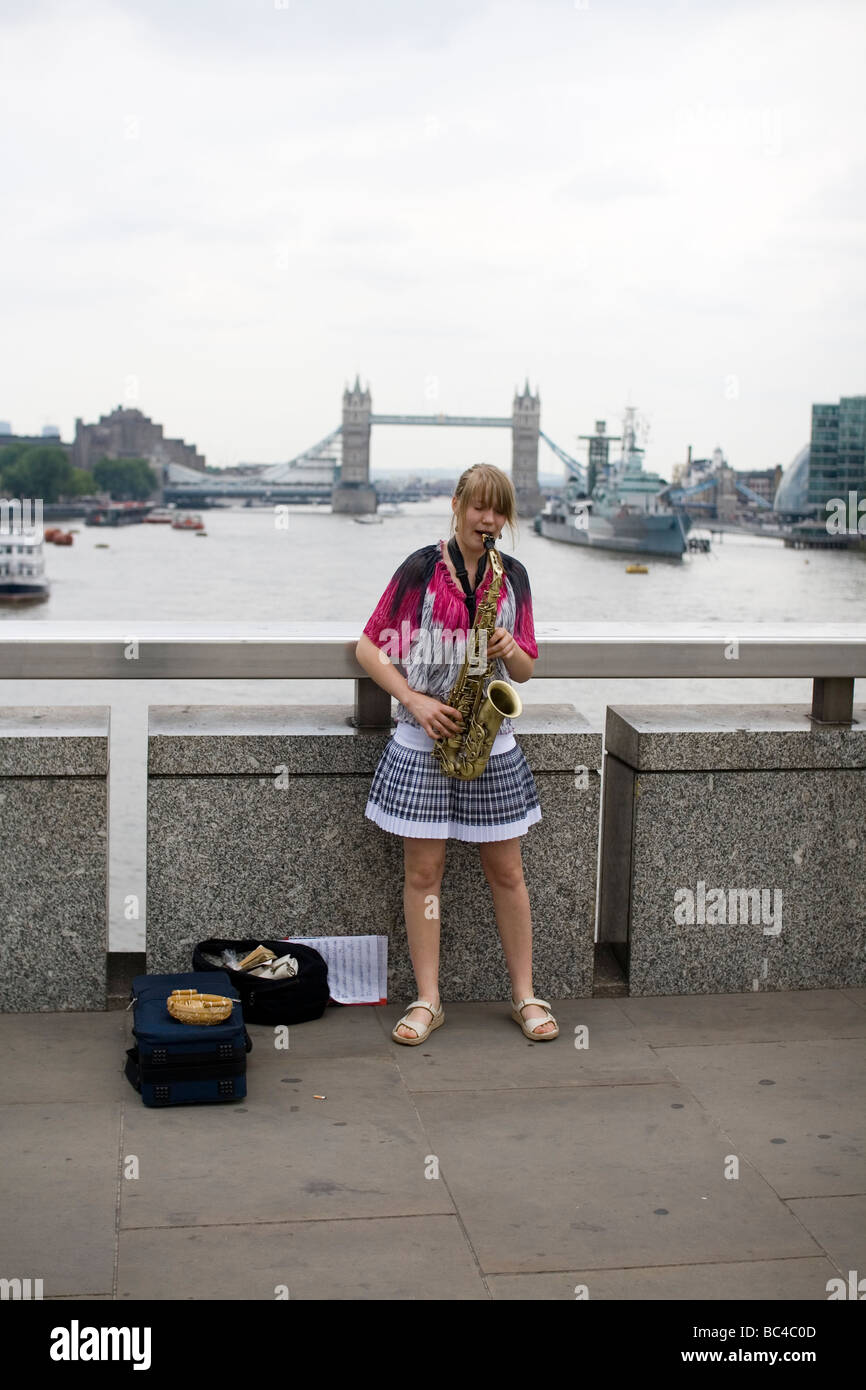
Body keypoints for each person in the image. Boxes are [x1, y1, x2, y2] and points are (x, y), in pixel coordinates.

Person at [354, 462, 559, 1046]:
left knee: (509, 872)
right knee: (424, 874)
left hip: (488, 740)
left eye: (499, 511)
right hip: (425, 737)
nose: (488, 520)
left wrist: (509, 645)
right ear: (457, 504)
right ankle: (428, 999)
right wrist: (413, 701)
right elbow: (369, 647)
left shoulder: (511, 575)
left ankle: (524, 994)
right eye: (479, 507)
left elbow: (525, 668)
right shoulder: (421, 568)